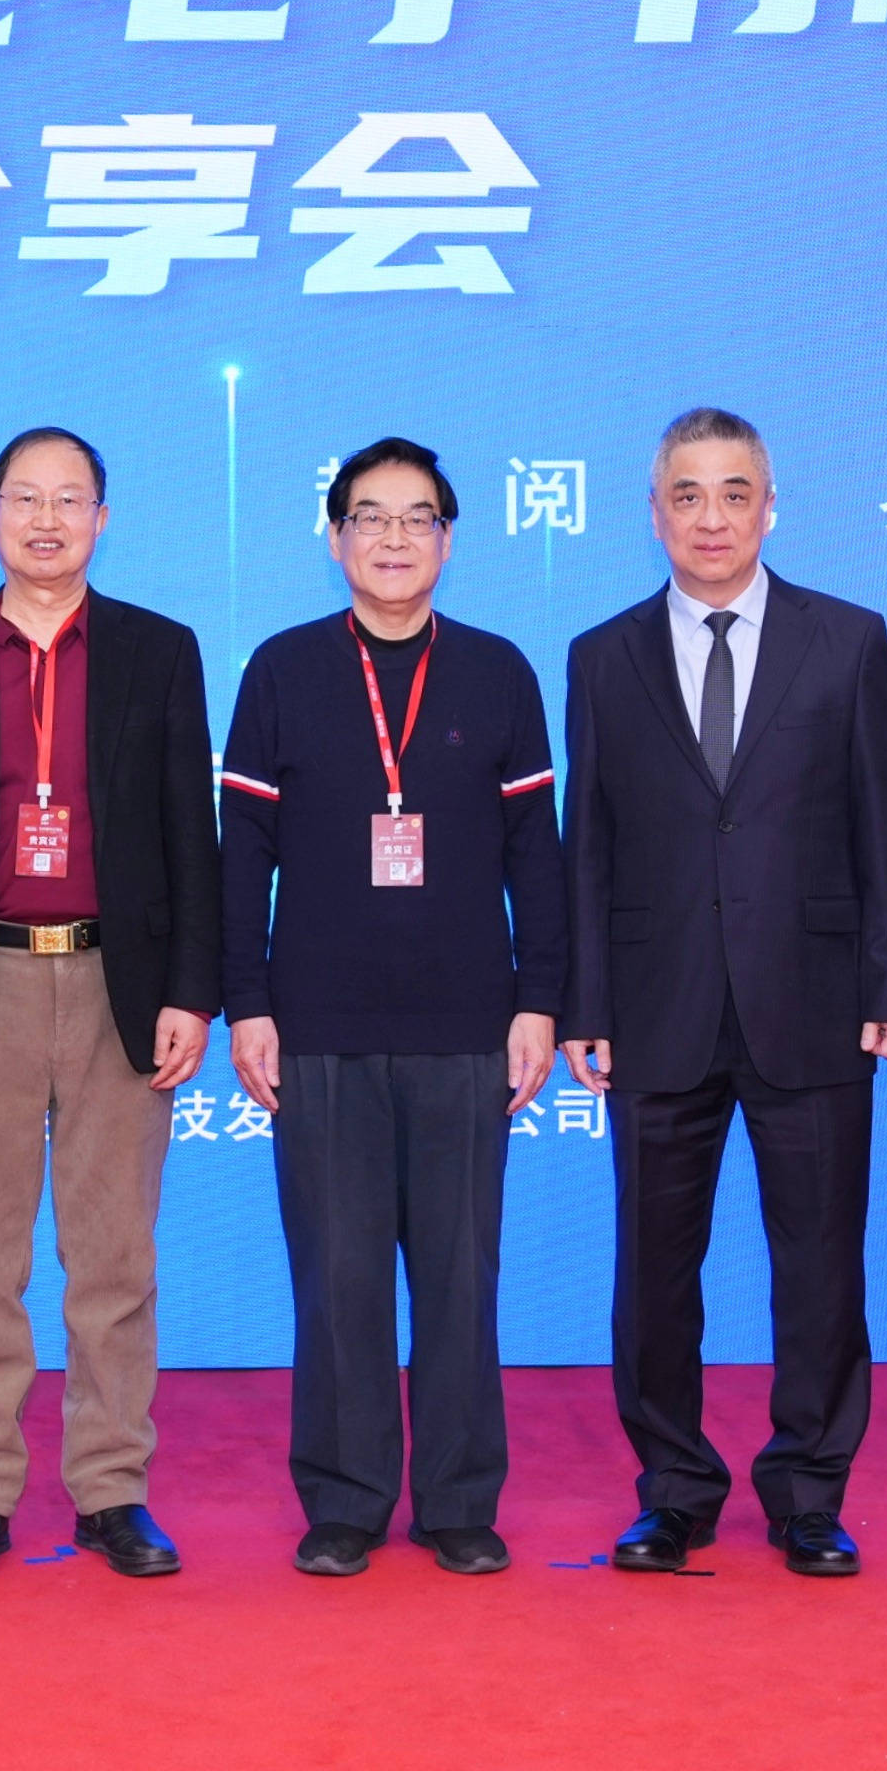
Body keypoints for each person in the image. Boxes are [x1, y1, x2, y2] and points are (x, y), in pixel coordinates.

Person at [560, 407, 887, 1579]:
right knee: (652, 1276)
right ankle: (672, 1490)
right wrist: (584, 1004)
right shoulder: (601, 655)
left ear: (770, 506)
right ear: (652, 511)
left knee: (818, 1268)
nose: (709, 517)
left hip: (812, 1001)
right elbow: (587, 846)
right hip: (653, 1008)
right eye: (686, 494)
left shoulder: (847, 640)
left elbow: (883, 822)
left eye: (732, 493)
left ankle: (809, 1491)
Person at [0, 428, 219, 1583]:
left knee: (113, 1258)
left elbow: (192, 836)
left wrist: (190, 990)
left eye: (70, 500)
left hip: (120, 983)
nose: (46, 520)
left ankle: (112, 1487)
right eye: (25, 498)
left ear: (101, 519)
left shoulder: (158, 653)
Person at [221, 438, 565, 1578]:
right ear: (335, 540)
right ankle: (346, 1498)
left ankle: (459, 1499)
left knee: (461, 1277)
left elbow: (536, 852)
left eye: (418, 518)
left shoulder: (498, 671)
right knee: (340, 1278)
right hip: (317, 1024)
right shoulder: (282, 669)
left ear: (448, 541)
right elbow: (242, 851)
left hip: (467, 1025)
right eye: (369, 517)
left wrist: (539, 999)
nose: (393, 538)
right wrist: (246, 1001)